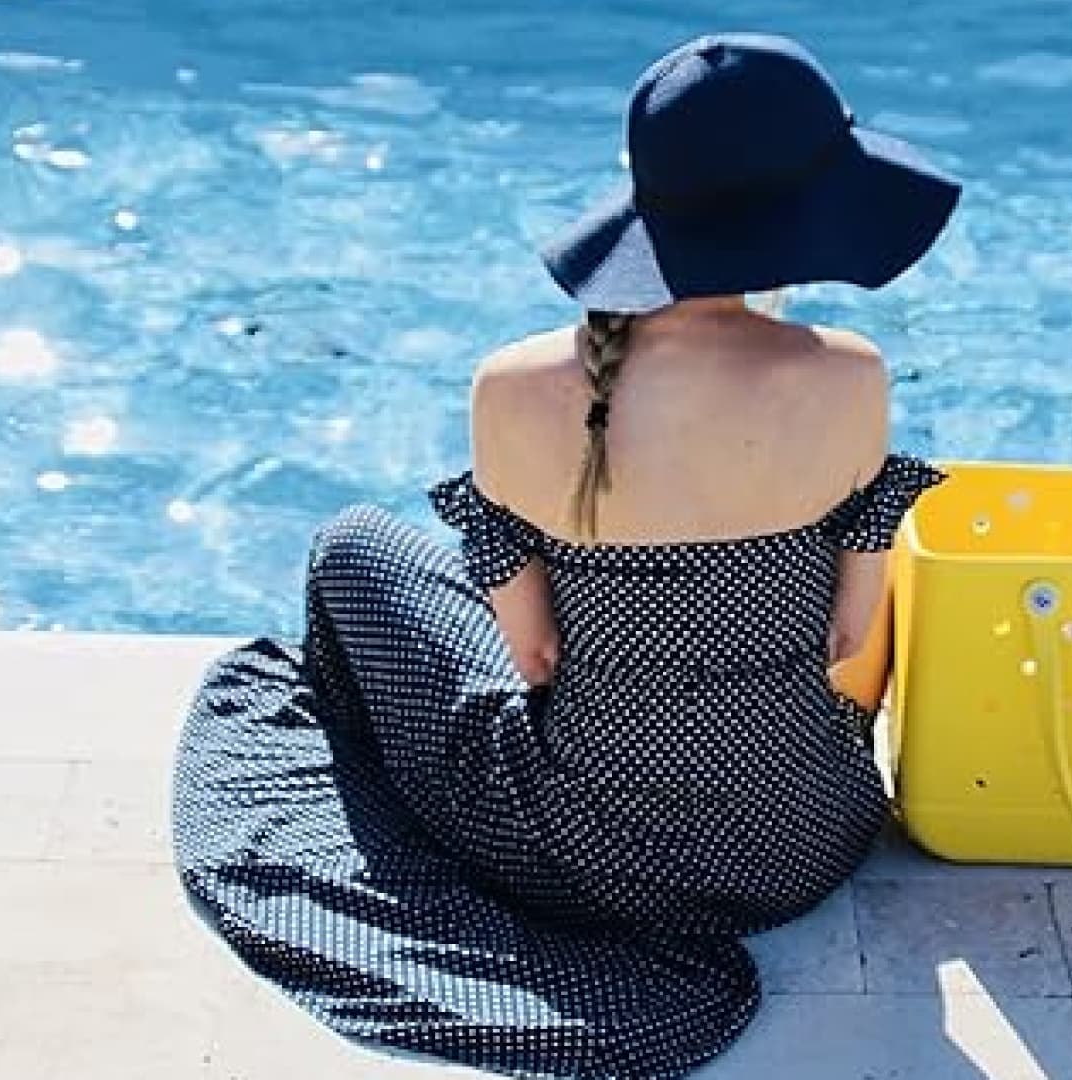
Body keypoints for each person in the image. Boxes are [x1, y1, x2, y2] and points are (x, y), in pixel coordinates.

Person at [170, 32, 961, 1080]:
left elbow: (533, 654)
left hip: (588, 860)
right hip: (807, 846)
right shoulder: (849, 379)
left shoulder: (511, 387)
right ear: (802, 213)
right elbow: (853, 637)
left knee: (353, 549)